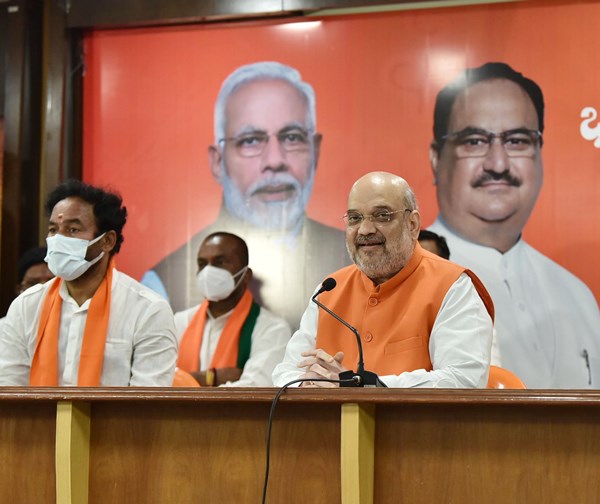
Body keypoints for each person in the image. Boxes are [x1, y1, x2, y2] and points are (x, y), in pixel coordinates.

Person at [427, 62, 600, 389]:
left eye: (517, 141)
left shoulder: (577, 295)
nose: (498, 164)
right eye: (474, 141)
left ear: (539, 154)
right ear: (437, 158)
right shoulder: (407, 281)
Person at [142, 62, 349, 330]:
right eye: (251, 140)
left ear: (315, 151)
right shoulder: (162, 287)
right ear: (218, 162)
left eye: (292, 137)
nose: (275, 160)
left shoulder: (355, 260)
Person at [273, 172, 494, 388]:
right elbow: (286, 372)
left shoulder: (453, 286)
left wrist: (364, 386)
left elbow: (464, 380)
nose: (366, 229)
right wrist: (307, 385)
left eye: (382, 216)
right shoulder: (330, 289)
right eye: (355, 218)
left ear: (413, 224)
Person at [0, 180, 178, 386]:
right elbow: (9, 391)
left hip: (119, 419)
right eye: (53, 229)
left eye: (73, 230)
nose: (58, 239)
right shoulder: (26, 306)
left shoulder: (147, 310)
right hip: (38, 418)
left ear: (107, 241)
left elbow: (147, 402)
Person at [174, 232, 291, 386]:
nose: (208, 272)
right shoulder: (180, 322)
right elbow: (158, 379)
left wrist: (183, 380)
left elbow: (254, 389)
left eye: (219, 262)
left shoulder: (272, 329)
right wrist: (212, 377)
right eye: (202, 264)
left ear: (246, 275)